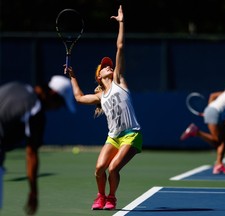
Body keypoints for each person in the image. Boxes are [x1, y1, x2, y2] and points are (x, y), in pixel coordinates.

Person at [65, 5, 142, 211]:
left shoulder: (119, 80)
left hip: (132, 135)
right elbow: (79, 98)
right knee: (99, 169)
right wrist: (73, 78)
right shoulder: (100, 96)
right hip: (114, 136)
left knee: (113, 167)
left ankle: (112, 197)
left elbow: (120, 47)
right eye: (105, 66)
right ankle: (100, 197)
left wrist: (121, 23)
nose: (109, 66)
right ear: (99, 76)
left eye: (110, 65)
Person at [0, 75, 75, 215]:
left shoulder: (17, 86)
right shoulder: (36, 111)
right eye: (60, 103)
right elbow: (31, 153)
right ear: (53, 94)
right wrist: (34, 192)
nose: (58, 108)